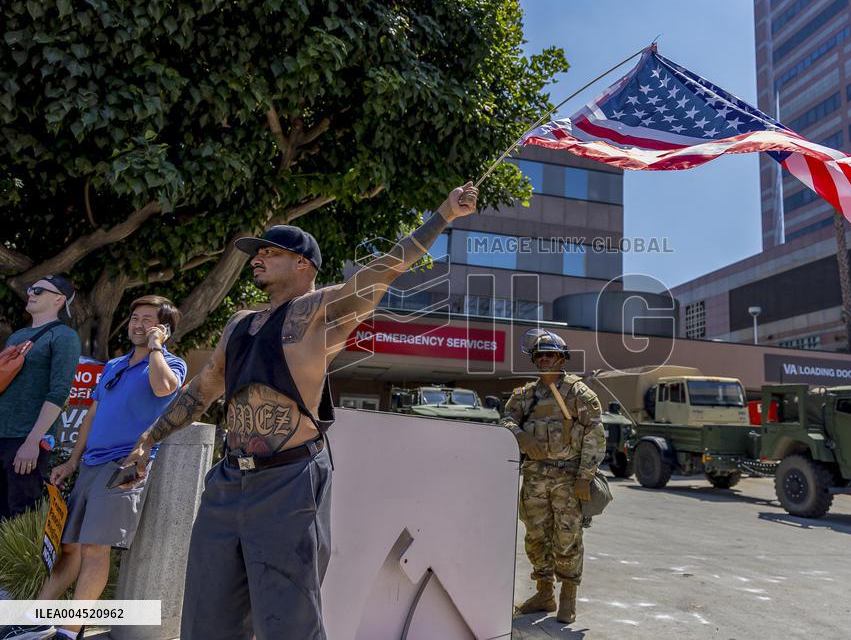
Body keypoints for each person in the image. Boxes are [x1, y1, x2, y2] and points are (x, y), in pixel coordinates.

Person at [120, 182, 478, 640]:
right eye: (257, 253)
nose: (256, 259)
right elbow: (202, 389)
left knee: (288, 620)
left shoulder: (321, 312)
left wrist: (443, 214)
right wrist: (147, 440)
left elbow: (384, 269)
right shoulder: (239, 324)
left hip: (288, 482)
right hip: (229, 481)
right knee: (206, 615)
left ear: (302, 262)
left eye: (268, 252)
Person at [2, 296, 186, 640]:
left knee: (94, 548)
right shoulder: (114, 366)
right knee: (68, 547)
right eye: (134, 318)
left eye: (148, 320)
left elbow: (165, 388)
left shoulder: (170, 363)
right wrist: (72, 460)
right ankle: (35, 618)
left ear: (164, 329)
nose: (138, 324)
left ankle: (70, 631)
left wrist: (156, 346)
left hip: (124, 466)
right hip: (89, 465)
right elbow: (92, 415)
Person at [500, 329, 604, 625]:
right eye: (540, 355)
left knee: (567, 537)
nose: (545, 359)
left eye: (550, 354)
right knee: (536, 538)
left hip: (568, 477)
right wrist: (519, 434)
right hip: (534, 477)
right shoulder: (524, 395)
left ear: (561, 358)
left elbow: (595, 434)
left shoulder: (579, 393)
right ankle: (544, 592)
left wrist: (585, 476)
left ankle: (568, 597)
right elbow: (506, 420)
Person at [0, 275, 80, 523]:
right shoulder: (17, 336)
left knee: (21, 519)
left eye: (38, 290)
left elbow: (59, 392)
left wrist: (33, 441)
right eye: (29, 289)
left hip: (26, 440)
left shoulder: (64, 337)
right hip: (2, 434)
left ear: (59, 299)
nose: (31, 293)